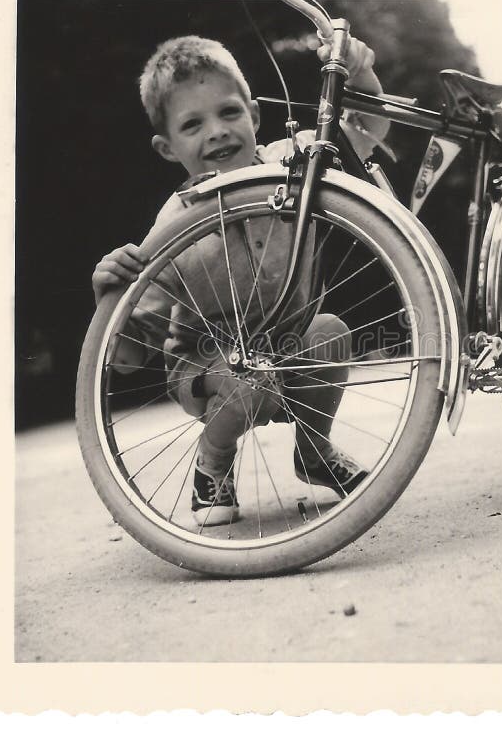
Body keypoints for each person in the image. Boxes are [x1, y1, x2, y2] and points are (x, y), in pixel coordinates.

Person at [91, 33, 390, 526]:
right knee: (240, 377)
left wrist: (361, 74)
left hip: (287, 342)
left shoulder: (292, 167)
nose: (217, 132)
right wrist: (109, 294)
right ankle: (213, 464)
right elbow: (126, 359)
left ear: (253, 115)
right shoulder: (172, 227)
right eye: (193, 124)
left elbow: (365, 128)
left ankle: (314, 454)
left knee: (330, 333)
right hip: (208, 367)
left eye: (229, 113)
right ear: (167, 148)